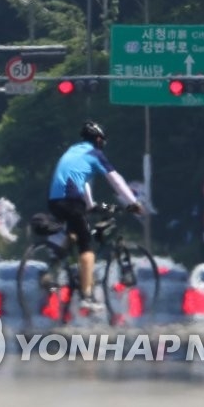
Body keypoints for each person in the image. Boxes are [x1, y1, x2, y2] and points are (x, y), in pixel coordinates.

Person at [47, 121, 143, 311]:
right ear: (98, 140)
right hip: (71, 200)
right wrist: (133, 203)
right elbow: (116, 181)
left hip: (55, 201)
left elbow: (81, 181)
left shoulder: (73, 152)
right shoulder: (95, 154)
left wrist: (91, 205)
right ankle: (87, 296)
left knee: (75, 232)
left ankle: (53, 268)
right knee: (87, 247)